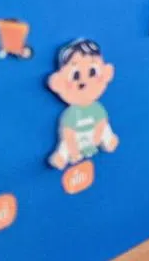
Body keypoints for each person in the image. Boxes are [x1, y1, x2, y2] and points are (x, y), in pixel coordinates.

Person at [47, 39, 120, 170]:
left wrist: (96, 139)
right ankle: (61, 157)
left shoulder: (97, 109)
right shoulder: (71, 114)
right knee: (65, 144)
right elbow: (68, 133)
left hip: (93, 135)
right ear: (58, 83)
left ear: (106, 73)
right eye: (75, 75)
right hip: (77, 138)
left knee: (105, 128)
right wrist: (74, 151)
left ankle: (109, 140)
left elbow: (101, 123)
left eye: (92, 72)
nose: (84, 81)